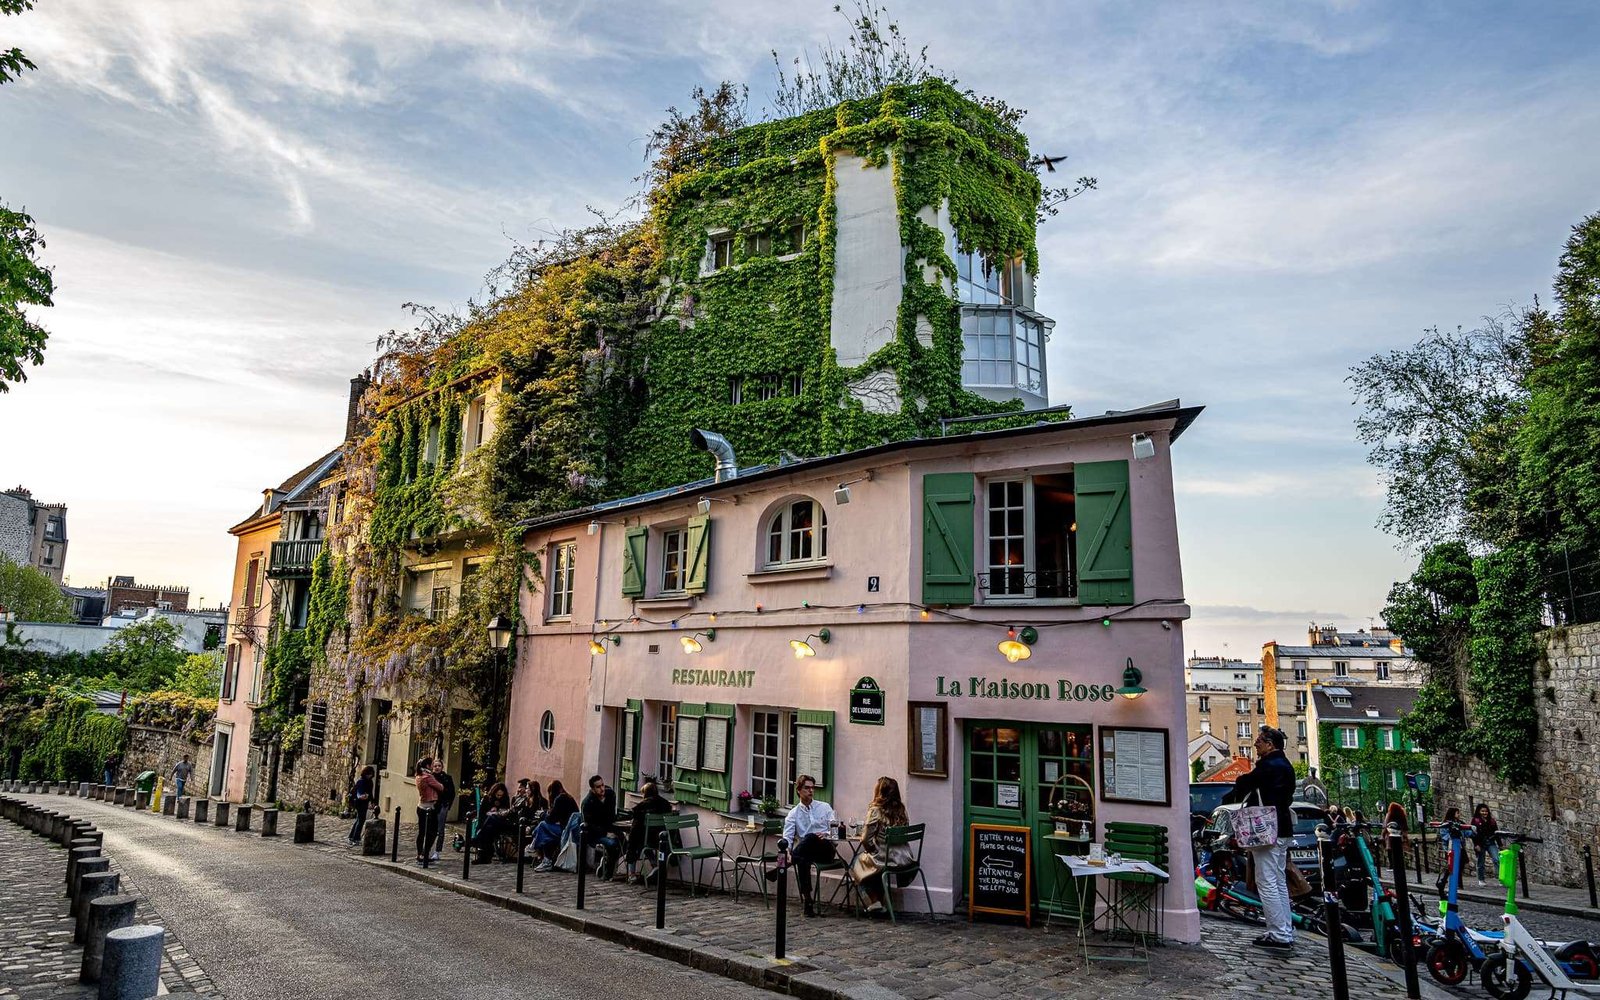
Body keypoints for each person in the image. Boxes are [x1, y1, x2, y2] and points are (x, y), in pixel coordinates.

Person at [1222, 725, 1296, 950]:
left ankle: (1278, 934)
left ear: (1270, 744)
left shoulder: (1268, 766)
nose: (1256, 744)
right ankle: (1286, 928)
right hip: (1282, 828)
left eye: (1260, 741)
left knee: (1267, 881)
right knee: (1279, 880)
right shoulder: (1286, 766)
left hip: (1266, 830)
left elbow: (1243, 784)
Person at [769, 773, 838, 917]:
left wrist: (826, 834)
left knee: (810, 837)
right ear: (799, 790)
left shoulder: (824, 807)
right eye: (807, 788)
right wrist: (787, 851)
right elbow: (787, 837)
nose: (811, 791)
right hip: (806, 853)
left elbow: (835, 829)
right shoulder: (793, 813)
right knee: (802, 859)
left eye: (812, 788)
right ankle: (808, 902)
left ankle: (780, 868)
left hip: (826, 850)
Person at [851, 776, 912, 915]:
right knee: (874, 869)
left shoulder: (876, 811)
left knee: (857, 863)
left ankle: (875, 901)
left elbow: (865, 839)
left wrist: (873, 850)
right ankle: (880, 904)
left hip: (885, 858)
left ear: (879, 791)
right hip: (905, 858)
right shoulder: (902, 810)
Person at [622, 780, 673, 883]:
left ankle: (632, 874)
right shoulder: (666, 804)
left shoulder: (642, 806)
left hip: (646, 838)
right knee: (643, 843)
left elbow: (635, 828)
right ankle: (654, 866)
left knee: (634, 843)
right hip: (661, 839)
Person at [580, 774, 621, 877]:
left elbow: (611, 816)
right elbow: (589, 825)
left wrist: (613, 830)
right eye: (598, 787)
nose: (602, 789)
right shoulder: (588, 803)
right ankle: (608, 872)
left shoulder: (610, 795)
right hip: (596, 834)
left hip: (609, 829)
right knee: (612, 844)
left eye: (602, 785)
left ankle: (606, 863)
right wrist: (606, 833)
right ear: (593, 789)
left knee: (624, 841)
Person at [533, 779, 578, 871]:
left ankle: (535, 847)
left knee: (542, 825)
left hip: (566, 831)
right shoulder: (569, 798)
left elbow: (551, 819)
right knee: (547, 836)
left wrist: (543, 814)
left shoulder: (560, 799)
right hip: (571, 830)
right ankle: (545, 860)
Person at [471, 783, 516, 861]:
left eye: (501, 795)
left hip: (499, 823)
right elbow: (482, 814)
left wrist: (498, 812)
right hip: (488, 823)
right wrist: (489, 812)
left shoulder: (505, 799)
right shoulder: (487, 799)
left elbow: (506, 811)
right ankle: (485, 855)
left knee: (491, 820)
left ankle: (482, 853)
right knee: (489, 827)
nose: (499, 797)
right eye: (497, 795)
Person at [414, 757, 443, 864]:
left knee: (422, 832)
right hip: (429, 807)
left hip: (420, 806)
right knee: (432, 832)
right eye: (432, 764)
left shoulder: (418, 775)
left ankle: (419, 853)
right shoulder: (428, 777)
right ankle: (425, 853)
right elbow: (440, 787)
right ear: (427, 766)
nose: (433, 766)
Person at [430, 759, 456, 860]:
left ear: (442, 767)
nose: (437, 768)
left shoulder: (447, 778)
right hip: (432, 805)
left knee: (440, 829)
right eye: (435, 766)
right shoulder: (430, 778)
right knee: (431, 828)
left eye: (439, 766)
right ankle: (427, 849)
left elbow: (452, 793)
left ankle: (437, 851)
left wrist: (448, 805)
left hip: (442, 805)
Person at [1471, 804, 1500, 886]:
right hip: (1480, 843)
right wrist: (1476, 844)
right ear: (1479, 811)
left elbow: (1496, 833)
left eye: (1486, 811)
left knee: (1496, 859)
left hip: (1490, 842)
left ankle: (1500, 878)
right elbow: (1474, 834)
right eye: (1482, 811)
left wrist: (1500, 844)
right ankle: (1481, 879)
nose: (1484, 813)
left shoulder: (1492, 821)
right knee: (1481, 861)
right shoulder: (1475, 820)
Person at [347, 765, 375, 846]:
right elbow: (359, 794)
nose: (371, 776)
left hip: (364, 803)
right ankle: (355, 838)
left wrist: (372, 801)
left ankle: (351, 837)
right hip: (359, 803)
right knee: (361, 820)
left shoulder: (370, 782)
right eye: (370, 774)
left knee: (359, 820)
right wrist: (364, 796)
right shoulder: (361, 781)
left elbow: (370, 793)